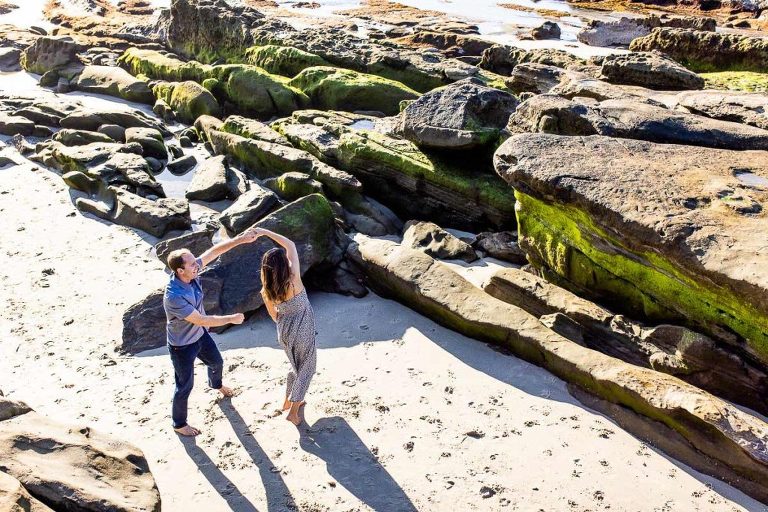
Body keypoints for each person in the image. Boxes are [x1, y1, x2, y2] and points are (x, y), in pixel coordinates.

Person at [163, 230, 258, 436]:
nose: (197, 265)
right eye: (191, 264)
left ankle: (217, 385)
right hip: (182, 345)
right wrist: (231, 319)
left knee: (216, 363)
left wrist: (241, 239)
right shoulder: (174, 296)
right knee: (184, 386)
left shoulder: (191, 271)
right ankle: (179, 424)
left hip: (200, 335)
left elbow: (215, 251)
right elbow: (201, 319)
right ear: (180, 270)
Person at [251, 227, 317, 426]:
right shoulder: (293, 279)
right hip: (303, 329)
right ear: (284, 266)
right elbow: (290, 244)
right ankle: (294, 412)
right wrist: (264, 231)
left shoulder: (267, 290)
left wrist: (287, 323)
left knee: (296, 367)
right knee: (307, 369)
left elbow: (274, 316)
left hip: (284, 332)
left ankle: (288, 401)